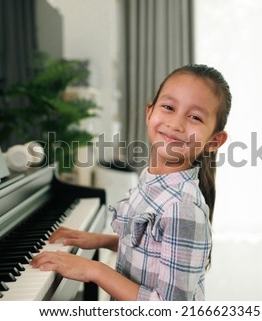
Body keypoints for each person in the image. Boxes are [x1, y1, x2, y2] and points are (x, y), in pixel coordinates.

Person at [30, 64, 232, 300]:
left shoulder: (183, 210)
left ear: (214, 141)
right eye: (168, 107)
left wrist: (93, 269)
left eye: (195, 117)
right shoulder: (153, 180)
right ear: (149, 113)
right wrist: (100, 240)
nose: (176, 124)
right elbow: (151, 250)